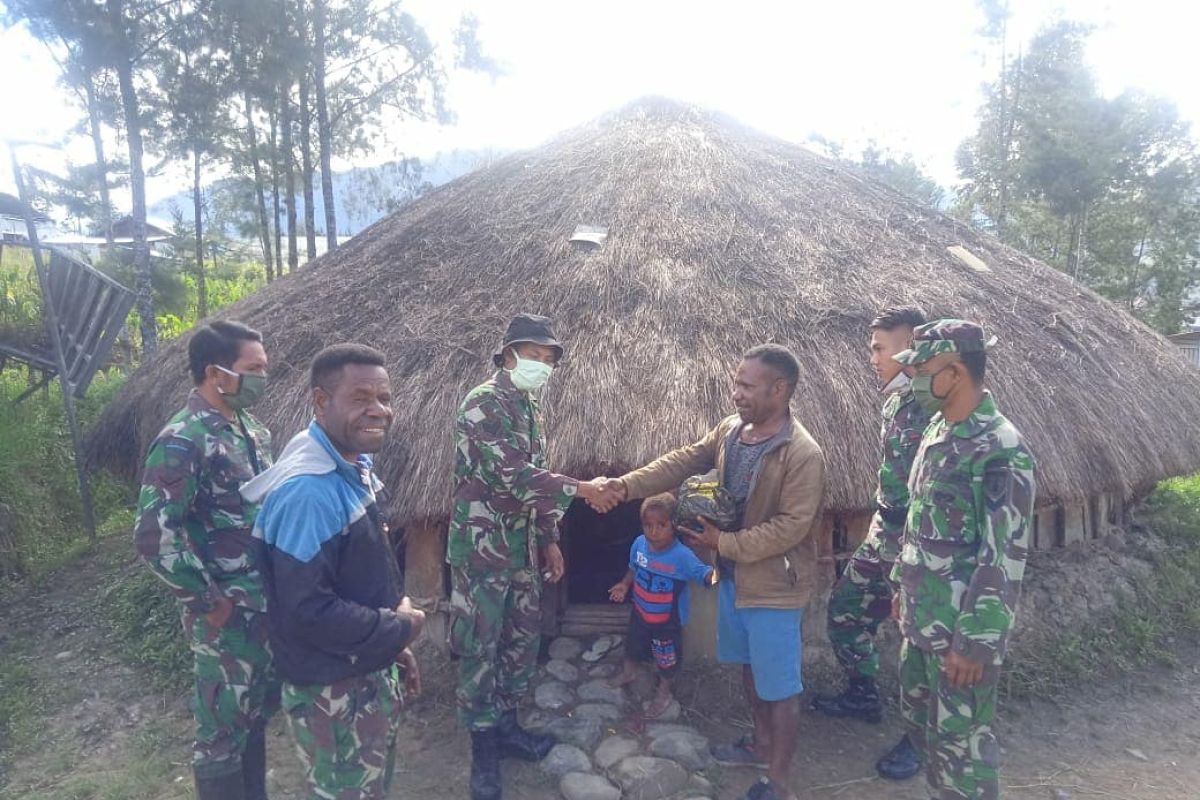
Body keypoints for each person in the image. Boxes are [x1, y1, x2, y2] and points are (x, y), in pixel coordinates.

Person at [593, 344, 825, 800]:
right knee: (749, 671)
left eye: (747, 385)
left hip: (775, 587)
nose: (735, 393)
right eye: (735, 383)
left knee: (779, 686)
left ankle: (779, 781)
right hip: (735, 580)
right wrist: (625, 485)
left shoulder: (801, 454)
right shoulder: (731, 433)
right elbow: (682, 460)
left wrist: (722, 543)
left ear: (780, 389)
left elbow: (792, 528)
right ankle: (759, 745)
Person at [242, 344, 426, 800]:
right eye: (361, 397)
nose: (379, 410)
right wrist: (399, 626)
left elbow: (360, 573)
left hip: (360, 672)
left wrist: (393, 647)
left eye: (384, 398)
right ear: (321, 402)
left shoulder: (346, 467)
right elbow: (309, 611)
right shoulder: (309, 492)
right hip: (334, 692)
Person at [447, 313, 610, 800]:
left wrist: (550, 538)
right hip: (482, 549)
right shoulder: (483, 404)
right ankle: (482, 749)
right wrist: (583, 489)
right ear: (509, 355)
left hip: (521, 548)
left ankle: (509, 727)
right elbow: (513, 476)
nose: (541, 365)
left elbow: (537, 483)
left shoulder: (530, 407)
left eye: (548, 359)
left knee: (520, 640)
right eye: (533, 356)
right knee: (481, 645)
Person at [889, 320, 1036, 800]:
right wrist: (898, 587)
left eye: (922, 369)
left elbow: (1003, 555)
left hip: (959, 636)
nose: (912, 379)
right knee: (928, 738)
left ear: (953, 373)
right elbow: (916, 520)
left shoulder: (1000, 448)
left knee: (963, 755)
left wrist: (974, 642)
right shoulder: (937, 430)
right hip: (921, 621)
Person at [134, 320, 276, 800]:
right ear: (216, 374)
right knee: (219, 734)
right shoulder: (183, 439)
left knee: (252, 720)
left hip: (260, 606)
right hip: (223, 616)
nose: (263, 375)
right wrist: (210, 602)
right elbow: (155, 537)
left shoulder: (252, 430)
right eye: (252, 368)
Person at [811, 306, 930, 781]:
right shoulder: (895, 403)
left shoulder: (936, 406)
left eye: (882, 348)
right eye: (873, 348)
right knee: (844, 608)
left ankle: (923, 737)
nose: (873, 358)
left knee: (920, 641)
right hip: (886, 532)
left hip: (924, 542)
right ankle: (862, 692)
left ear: (914, 345)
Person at [607, 492, 716, 718]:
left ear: (673, 526)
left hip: (668, 621)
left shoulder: (682, 556)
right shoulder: (639, 544)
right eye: (647, 525)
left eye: (661, 525)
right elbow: (633, 568)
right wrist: (624, 584)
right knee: (633, 644)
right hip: (640, 611)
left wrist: (724, 569)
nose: (653, 531)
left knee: (666, 658)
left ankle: (664, 693)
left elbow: (704, 575)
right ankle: (630, 673)